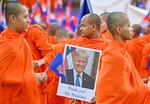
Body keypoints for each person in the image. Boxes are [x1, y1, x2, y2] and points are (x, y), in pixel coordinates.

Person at [47, 13, 105, 104]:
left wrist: (101, 95)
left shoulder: (107, 47)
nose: (80, 28)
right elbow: (53, 59)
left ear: (93, 27)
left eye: (83, 26)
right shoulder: (72, 44)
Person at [96, 12, 150, 104]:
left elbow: (122, 83)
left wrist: (140, 82)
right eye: (128, 26)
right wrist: (145, 89)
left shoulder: (122, 51)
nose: (131, 29)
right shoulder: (115, 56)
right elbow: (119, 95)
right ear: (119, 29)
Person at [0, 2, 40, 104]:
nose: (29, 21)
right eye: (25, 17)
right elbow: (5, 79)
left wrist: (34, 75)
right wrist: (34, 79)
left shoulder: (22, 41)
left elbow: (23, 71)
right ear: (13, 19)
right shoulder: (6, 44)